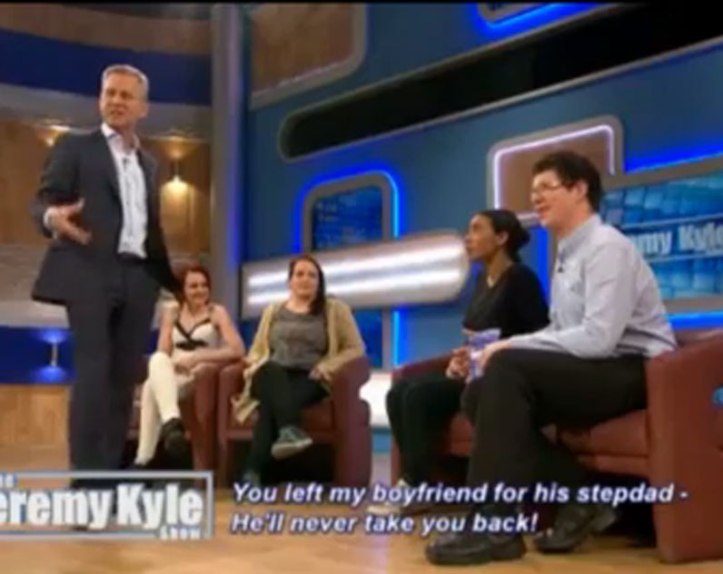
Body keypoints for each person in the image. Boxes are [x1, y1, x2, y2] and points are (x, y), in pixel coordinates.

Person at [425, 150, 677, 566]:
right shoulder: (567, 254)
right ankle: (581, 493)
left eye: (547, 188)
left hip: (636, 371)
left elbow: (599, 338)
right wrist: (494, 350)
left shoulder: (607, 247)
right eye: (533, 191)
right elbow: (559, 331)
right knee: (478, 393)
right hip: (595, 366)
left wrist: (510, 348)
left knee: (506, 368)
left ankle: (494, 524)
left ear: (579, 190)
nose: (536, 198)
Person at [30, 64, 180, 492]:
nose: (115, 101)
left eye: (125, 95)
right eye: (109, 93)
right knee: (93, 374)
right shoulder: (75, 147)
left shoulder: (149, 164)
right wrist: (51, 217)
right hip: (90, 272)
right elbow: (43, 200)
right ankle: (85, 484)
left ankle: (109, 479)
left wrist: (170, 283)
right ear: (100, 99)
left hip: (138, 278)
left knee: (122, 380)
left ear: (143, 108)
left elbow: (151, 229)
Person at [369, 209, 548, 515]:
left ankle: (418, 486)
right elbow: (476, 335)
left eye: (477, 230)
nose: (468, 238)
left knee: (418, 396)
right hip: (472, 371)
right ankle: (414, 481)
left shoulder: (521, 279)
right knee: (398, 391)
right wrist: (460, 358)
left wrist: (491, 352)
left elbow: (538, 336)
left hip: (501, 377)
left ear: (501, 238)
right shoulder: (481, 281)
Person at [232, 254, 365, 486]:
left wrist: (327, 366)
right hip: (271, 373)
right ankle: (289, 430)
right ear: (290, 281)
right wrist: (252, 362)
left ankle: (252, 472)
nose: (305, 279)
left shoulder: (334, 309)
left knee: (268, 408)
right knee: (271, 372)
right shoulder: (273, 310)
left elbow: (356, 348)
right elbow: (258, 349)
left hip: (310, 376)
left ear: (319, 282)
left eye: (312, 275)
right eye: (299, 274)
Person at [132, 263, 245, 469]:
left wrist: (198, 357)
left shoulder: (216, 312)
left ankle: (144, 458)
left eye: (204, 285)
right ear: (182, 290)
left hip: (199, 372)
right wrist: (168, 323)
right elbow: (163, 351)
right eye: (193, 286)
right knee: (157, 363)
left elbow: (237, 350)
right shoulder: (173, 313)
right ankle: (170, 425)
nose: (200, 290)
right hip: (173, 371)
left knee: (150, 387)